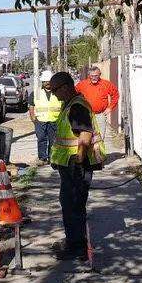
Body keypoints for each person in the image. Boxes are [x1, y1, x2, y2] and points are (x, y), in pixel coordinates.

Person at [48, 73, 106, 260]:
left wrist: (79, 160)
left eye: (55, 89)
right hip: (71, 164)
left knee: (73, 205)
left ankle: (77, 248)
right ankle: (73, 241)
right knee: (70, 204)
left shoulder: (77, 106)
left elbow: (85, 136)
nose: (54, 94)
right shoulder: (70, 104)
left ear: (65, 86)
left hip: (76, 164)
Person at [75, 66, 120, 141]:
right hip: (86, 116)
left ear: (100, 75)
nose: (94, 78)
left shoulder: (106, 84)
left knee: (99, 139)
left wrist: (110, 108)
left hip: (100, 115)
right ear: (89, 75)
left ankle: (99, 152)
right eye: (92, 76)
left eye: (96, 76)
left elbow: (115, 95)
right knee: (86, 140)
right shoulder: (82, 84)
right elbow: (73, 94)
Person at [28, 71, 62, 166]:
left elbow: (63, 105)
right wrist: (32, 117)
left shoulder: (58, 92)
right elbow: (31, 105)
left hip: (54, 120)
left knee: (53, 140)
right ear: (42, 82)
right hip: (40, 120)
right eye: (45, 81)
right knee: (41, 138)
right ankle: (42, 158)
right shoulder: (37, 92)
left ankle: (52, 158)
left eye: (49, 81)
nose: (47, 83)